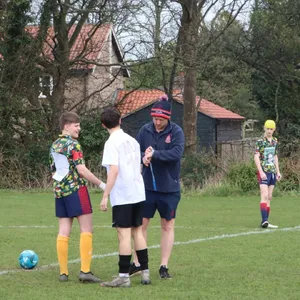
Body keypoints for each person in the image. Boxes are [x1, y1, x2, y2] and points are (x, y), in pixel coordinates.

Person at [131, 95, 185, 279]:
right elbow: (136, 151)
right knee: (141, 225)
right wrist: (143, 157)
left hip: (169, 188)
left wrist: (154, 155)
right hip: (146, 187)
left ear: (168, 118)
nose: (157, 122)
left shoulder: (176, 132)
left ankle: (164, 266)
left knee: (167, 225)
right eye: (155, 118)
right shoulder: (145, 130)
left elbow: (176, 153)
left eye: (161, 119)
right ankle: (138, 263)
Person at [49, 111, 106, 283]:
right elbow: (81, 170)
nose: (79, 129)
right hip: (76, 190)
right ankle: (85, 271)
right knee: (86, 229)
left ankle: (63, 272)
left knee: (63, 231)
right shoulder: (74, 145)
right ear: (66, 126)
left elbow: (54, 170)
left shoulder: (54, 145)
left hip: (59, 191)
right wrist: (102, 184)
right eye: (76, 125)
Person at [99, 107, 151, 288]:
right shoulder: (132, 141)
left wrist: (105, 194)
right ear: (120, 120)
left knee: (123, 234)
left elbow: (114, 170)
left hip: (123, 195)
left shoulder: (111, 143)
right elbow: (138, 166)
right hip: (137, 192)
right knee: (138, 231)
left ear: (103, 125)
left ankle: (123, 276)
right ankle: (145, 273)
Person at [254, 119, 281, 229]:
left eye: (271, 129)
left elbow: (275, 156)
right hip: (264, 171)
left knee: (269, 197)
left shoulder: (275, 141)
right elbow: (256, 156)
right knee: (264, 195)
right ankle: (264, 221)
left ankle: (266, 221)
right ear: (264, 128)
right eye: (267, 128)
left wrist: (278, 171)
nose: (269, 131)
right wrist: (260, 171)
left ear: (274, 130)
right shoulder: (260, 141)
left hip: (272, 172)